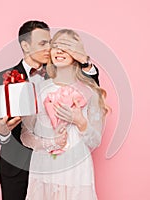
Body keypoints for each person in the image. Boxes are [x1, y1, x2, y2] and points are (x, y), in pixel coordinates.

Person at [0, 21, 100, 200]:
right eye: (42, 43)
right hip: (17, 166)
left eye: (50, 42)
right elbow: (3, 128)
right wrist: (2, 131)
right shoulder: (4, 77)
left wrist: (85, 61)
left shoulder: (59, 72)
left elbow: (92, 87)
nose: (49, 48)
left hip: (57, 166)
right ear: (25, 45)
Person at [20, 29, 108, 200]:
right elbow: (25, 135)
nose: (59, 51)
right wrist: (50, 143)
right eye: (56, 46)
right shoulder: (38, 90)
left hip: (75, 170)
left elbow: (95, 140)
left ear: (77, 54)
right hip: (44, 168)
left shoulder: (89, 92)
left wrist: (80, 121)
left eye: (66, 47)